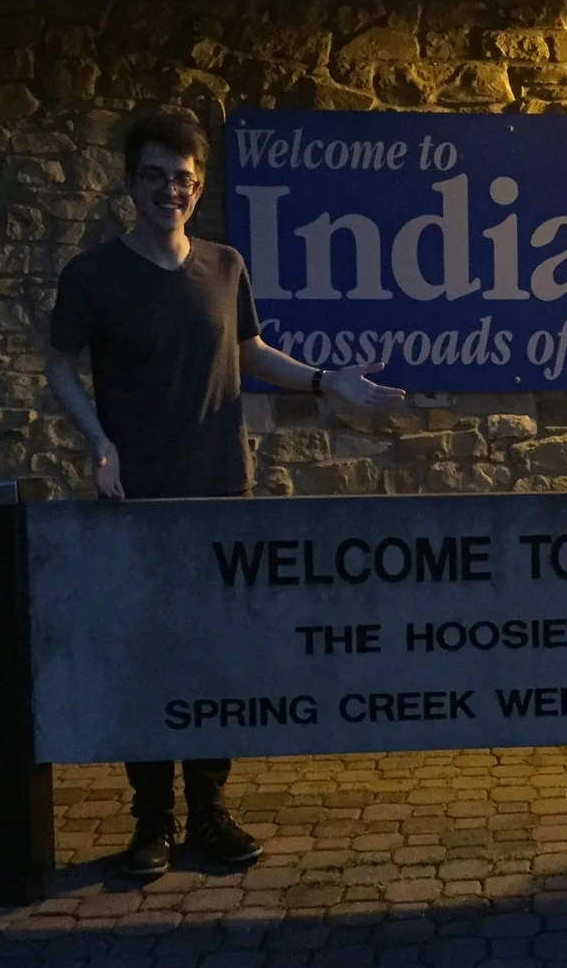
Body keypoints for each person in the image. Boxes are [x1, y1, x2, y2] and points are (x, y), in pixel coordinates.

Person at [44, 110, 405, 878]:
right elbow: (59, 365)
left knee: (214, 658)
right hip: (138, 500)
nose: (169, 190)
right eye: (153, 176)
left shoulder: (224, 265)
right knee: (148, 658)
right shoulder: (94, 275)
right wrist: (99, 441)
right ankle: (152, 822)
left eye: (182, 178)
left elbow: (249, 351)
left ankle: (208, 811)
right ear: (130, 183)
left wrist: (324, 381)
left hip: (220, 489)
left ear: (199, 185)